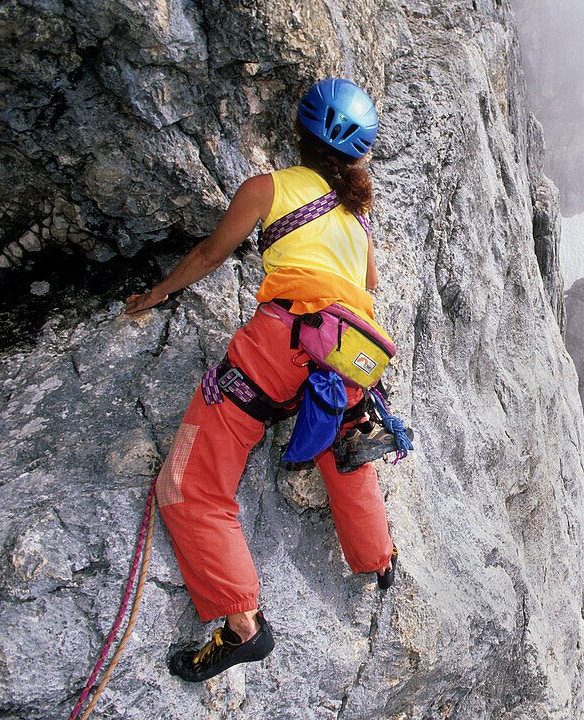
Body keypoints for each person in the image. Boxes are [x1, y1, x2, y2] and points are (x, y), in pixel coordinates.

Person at [126, 79, 397, 682]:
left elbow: (208, 256)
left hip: (281, 345)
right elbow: (370, 284)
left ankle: (242, 625)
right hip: (351, 354)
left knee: (190, 483)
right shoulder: (358, 214)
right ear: (358, 157)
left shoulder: (269, 189)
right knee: (342, 436)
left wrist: (155, 295)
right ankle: (378, 557)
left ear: (300, 134)